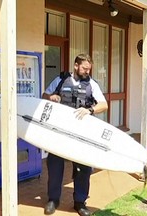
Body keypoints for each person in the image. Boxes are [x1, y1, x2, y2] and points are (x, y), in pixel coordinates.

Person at [42, 53, 108, 216]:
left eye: (89, 69)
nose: (87, 71)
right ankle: (53, 200)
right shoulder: (60, 79)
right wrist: (52, 97)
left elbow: (103, 105)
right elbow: (44, 96)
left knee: (83, 169)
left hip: (82, 134)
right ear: (76, 66)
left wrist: (89, 110)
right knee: (55, 166)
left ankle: (80, 202)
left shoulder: (92, 84)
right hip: (59, 132)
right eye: (85, 68)